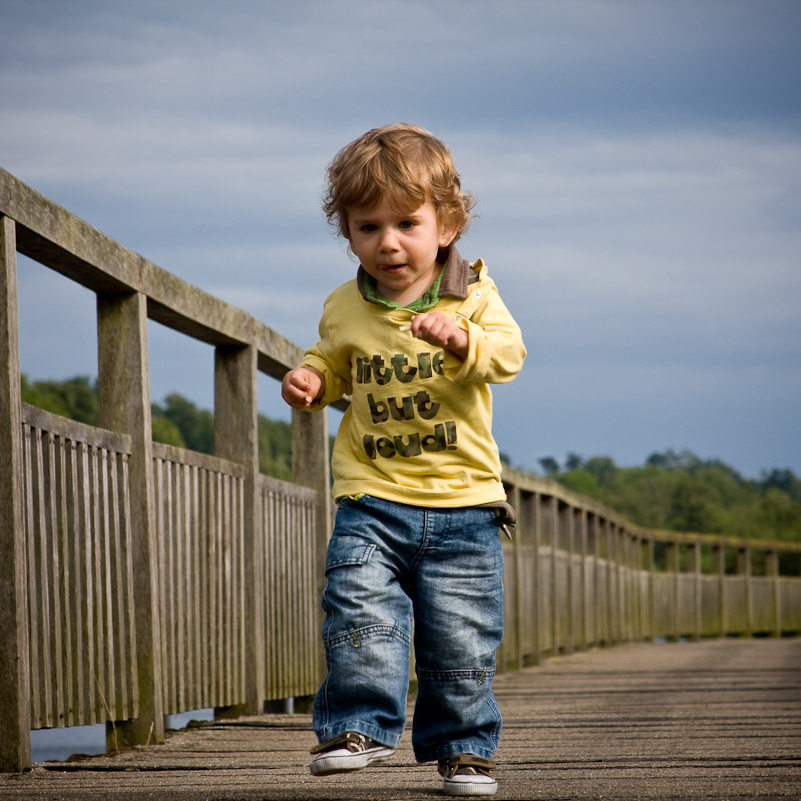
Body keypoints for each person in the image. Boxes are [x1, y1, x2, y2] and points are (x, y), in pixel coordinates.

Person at [281, 123, 526, 797]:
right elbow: (332, 358)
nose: (387, 242)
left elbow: (508, 356)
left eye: (406, 223)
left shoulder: (472, 293)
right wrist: (310, 380)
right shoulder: (344, 304)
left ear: (446, 224)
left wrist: (461, 336)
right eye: (367, 227)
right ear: (348, 233)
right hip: (371, 498)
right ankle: (359, 724)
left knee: (460, 640)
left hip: (464, 506)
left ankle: (463, 747)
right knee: (359, 614)